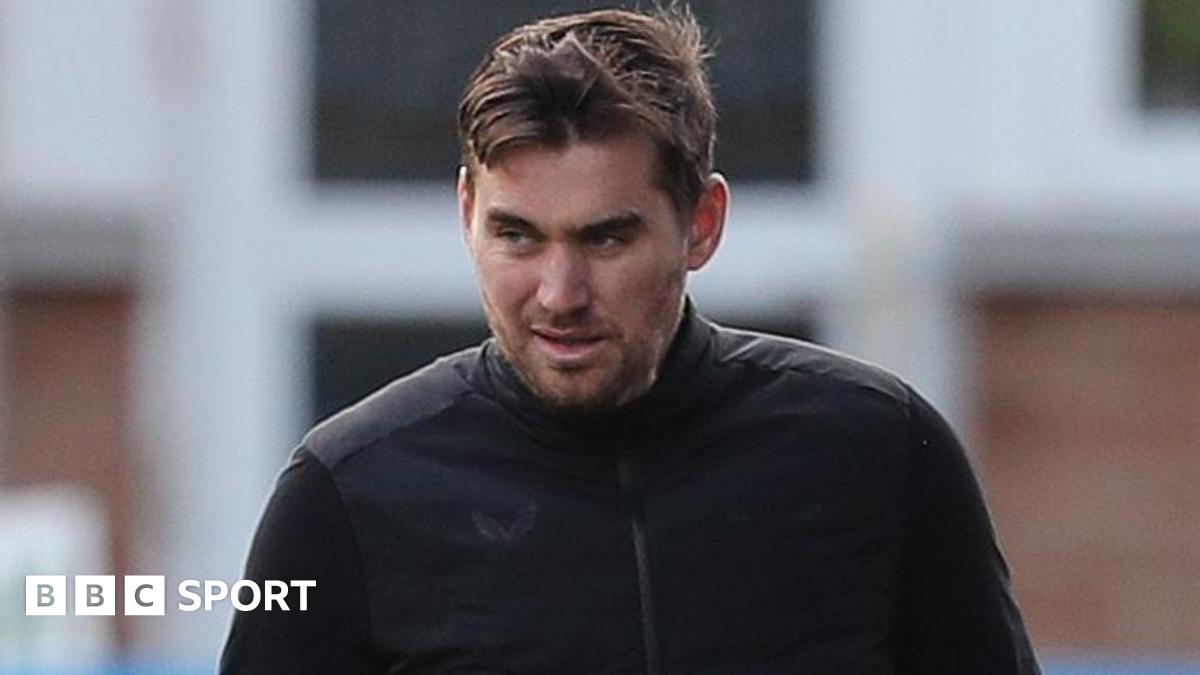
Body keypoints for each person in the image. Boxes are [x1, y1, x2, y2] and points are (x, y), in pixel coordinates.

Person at [220, 5, 1041, 674]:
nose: (560, 293)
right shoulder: (348, 491)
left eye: (607, 238)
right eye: (517, 236)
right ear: (467, 213)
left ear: (702, 224)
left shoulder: (881, 453)